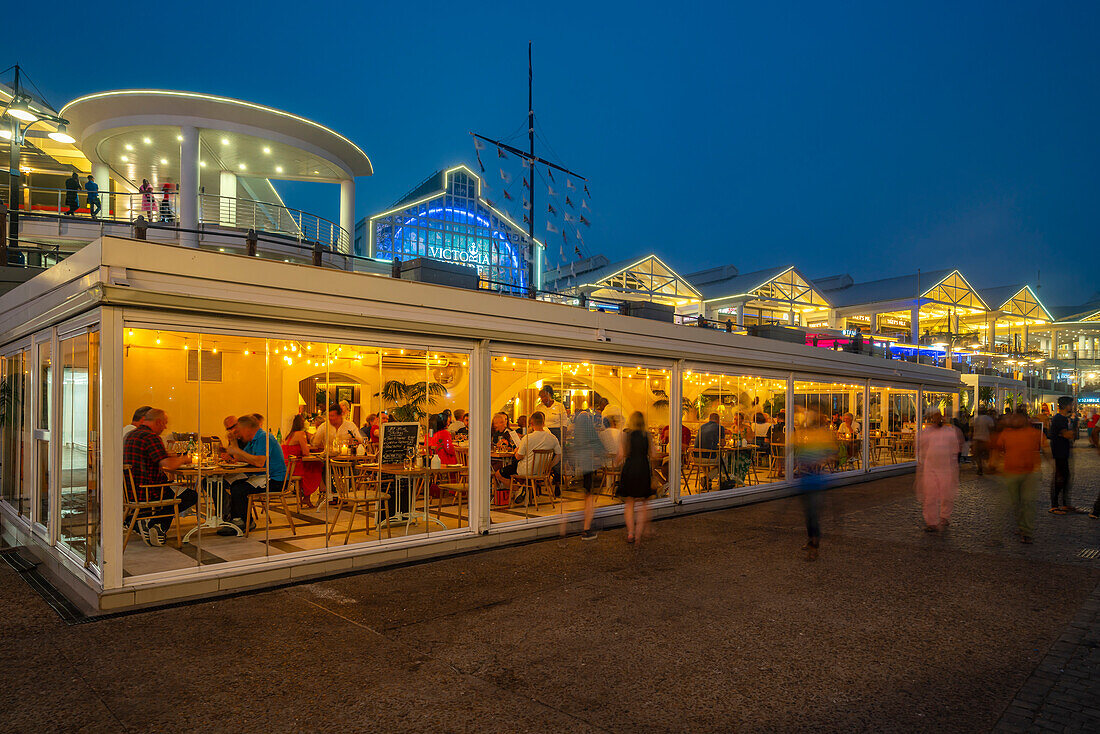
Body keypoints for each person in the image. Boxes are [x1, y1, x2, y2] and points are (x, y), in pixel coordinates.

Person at [122, 408, 196, 546]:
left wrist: (170, 456)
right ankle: (156, 524)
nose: (166, 427)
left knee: (176, 488)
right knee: (190, 495)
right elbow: (168, 465)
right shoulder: (151, 437)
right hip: (150, 490)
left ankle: (139, 519)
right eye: (165, 423)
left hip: (131, 491)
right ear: (159, 422)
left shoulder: (131, 435)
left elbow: (153, 458)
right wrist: (184, 459)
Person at [222, 414, 287, 532]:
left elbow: (259, 462)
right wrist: (234, 442)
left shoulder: (264, 438)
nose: (239, 434)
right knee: (234, 485)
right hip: (261, 476)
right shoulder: (253, 440)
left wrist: (237, 451)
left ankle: (246, 522)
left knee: (239, 489)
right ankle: (236, 519)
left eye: (240, 431)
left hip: (275, 480)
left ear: (247, 429)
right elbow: (240, 458)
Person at [793, 408, 838, 560]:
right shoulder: (807, 435)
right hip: (806, 478)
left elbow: (832, 453)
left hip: (816, 479)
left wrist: (822, 460)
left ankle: (814, 546)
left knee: (813, 514)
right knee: (808, 513)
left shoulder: (823, 436)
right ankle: (811, 539)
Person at [992, 410, 1043, 543]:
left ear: (1025, 419)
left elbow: (1045, 449)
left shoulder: (1035, 433)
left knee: (1028, 502)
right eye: (1013, 418)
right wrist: (994, 463)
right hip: (1011, 472)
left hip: (1030, 473)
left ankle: (1026, 531)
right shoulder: (1006, 433)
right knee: (1015, 502)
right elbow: (997, 449)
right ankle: (1021, 527)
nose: (1014, 421)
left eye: (1017, 418)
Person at [495, 411, 561, 502]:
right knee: (515, 468)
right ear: (543, 422)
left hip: (526, 470)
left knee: (498, 474)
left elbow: (518, 457)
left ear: (531, 423)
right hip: (542, 471)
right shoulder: (553, 438)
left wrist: (516, 451)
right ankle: (523, 488)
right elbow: (558, 455)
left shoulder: (527, 438)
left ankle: (519, 490)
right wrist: (549, 467)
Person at [916, 411, 963, 532]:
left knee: (946, 494)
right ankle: (931, 522)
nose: (937, 419)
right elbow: (921, 448)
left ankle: (944, 516)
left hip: (946, 468)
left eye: (939, 417)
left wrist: (954, 466)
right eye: (934, 417)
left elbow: (955, 450)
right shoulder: (926, 432)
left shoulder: (950, 432)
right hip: (930, 468)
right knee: (930, 495)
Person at [617, 411, 656, 545]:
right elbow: (653, 454)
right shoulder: (647, 436)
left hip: (630, 468)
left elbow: (622, 454)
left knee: (629, 502)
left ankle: (630, 533)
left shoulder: (627, 435)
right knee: (643, 504)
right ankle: (638, 535)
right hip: (643, 468)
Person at [572, 409, 606, 540]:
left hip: (582, 463)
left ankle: (587, 524)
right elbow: (596, 443)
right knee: (589, 495)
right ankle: (587, 528)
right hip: (590, 463)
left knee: (587, 494)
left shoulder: (577, 432)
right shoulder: (588, 429)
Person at [282, 414, 321, 508]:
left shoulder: (289, 435)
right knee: (316, 467)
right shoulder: (300, 434)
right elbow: (305, 452)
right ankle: (308, 497)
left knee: (313, 466)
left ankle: (306, 497)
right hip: (294, 467)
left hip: (287, 465)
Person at [1048, 396, 1074, 514]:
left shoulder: (1064, 418)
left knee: (1066, 477)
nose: (1072, 406)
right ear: (1066, 406)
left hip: (1064, 451)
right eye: (1071, 404)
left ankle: (1064, 504)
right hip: (1059, 451)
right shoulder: (1059, 419)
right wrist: (1071, 432)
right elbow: (1067, 435)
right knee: (1059, 478)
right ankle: (1054, 506)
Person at [971, 408, 995, 475]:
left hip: (976, 439)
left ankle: (980, 467)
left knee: (977, 455)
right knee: (987, 454)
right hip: (986, 439)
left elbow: (972, 430)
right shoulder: (989, 419)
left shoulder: (975, 419)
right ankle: (987, 467)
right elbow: (991, 429)